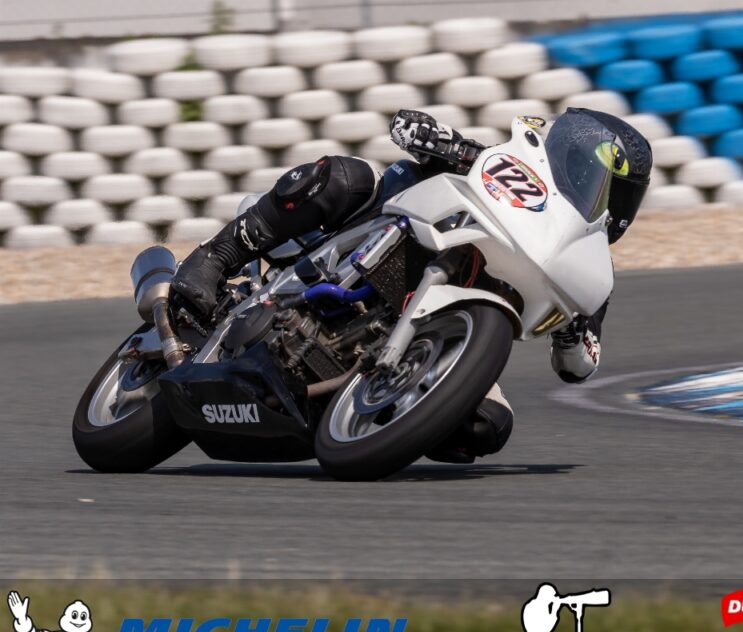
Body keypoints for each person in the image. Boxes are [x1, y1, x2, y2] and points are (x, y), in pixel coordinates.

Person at [171, 108, 651, 462]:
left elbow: (578, 367)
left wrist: (571, 327)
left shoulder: (586, 274)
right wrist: (440, 142)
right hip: (374, 243)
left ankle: (365, 415)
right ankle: (216, 257)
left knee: (487, 426)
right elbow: (404, 125)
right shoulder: (504, 169)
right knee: (347, 176)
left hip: (444, 327)